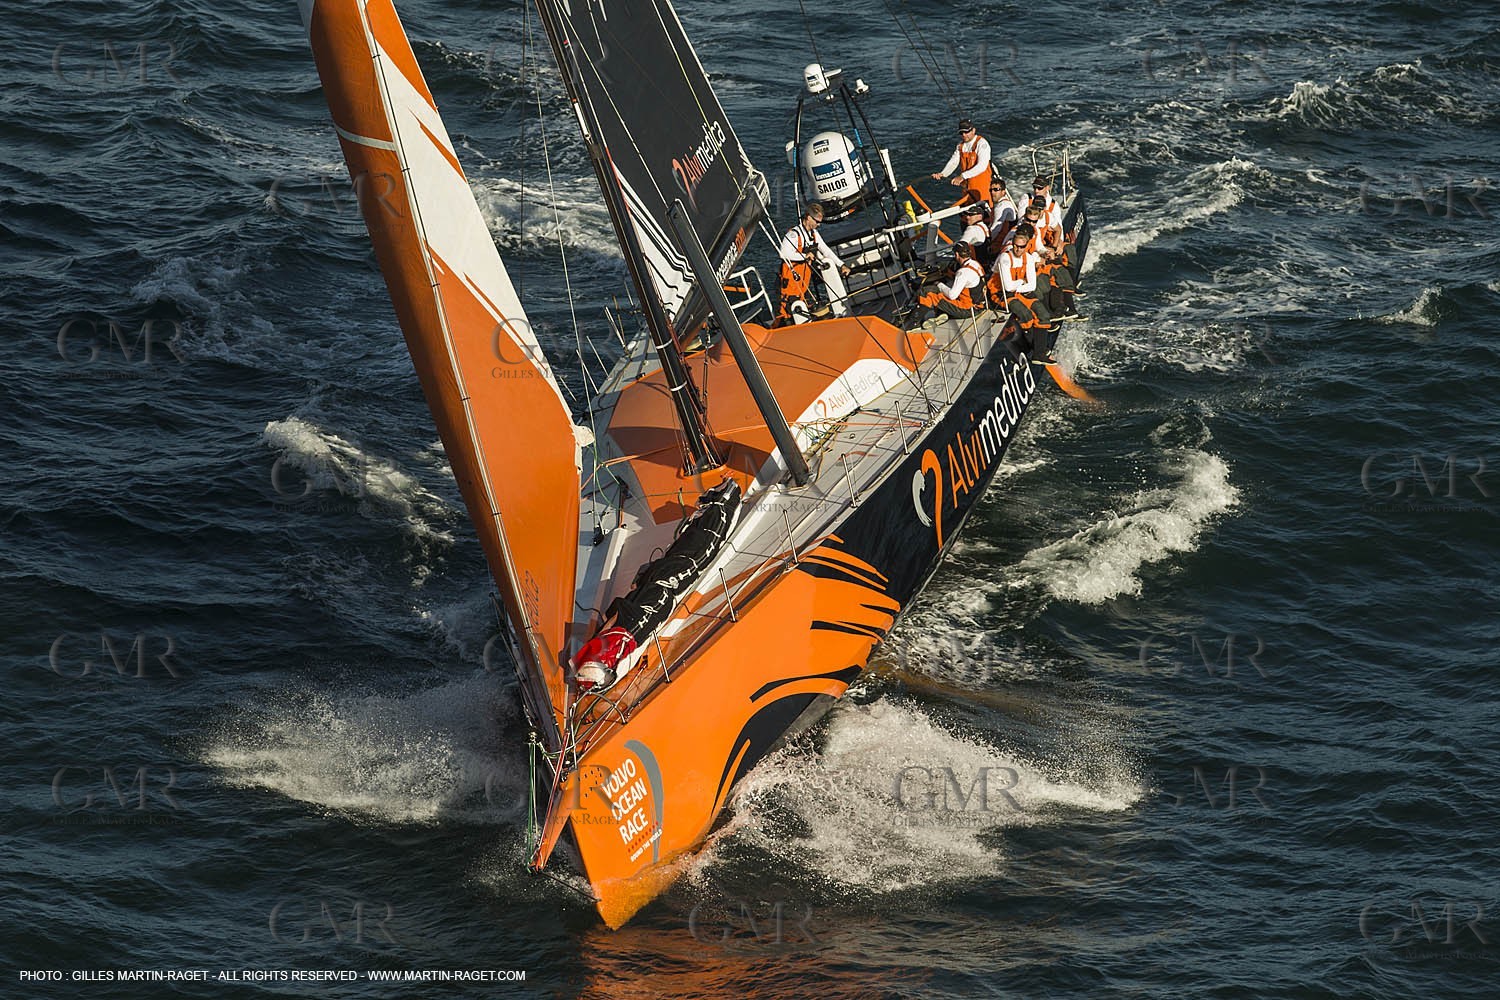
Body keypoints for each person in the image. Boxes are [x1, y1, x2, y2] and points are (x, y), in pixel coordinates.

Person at [776, 202, 850, 325]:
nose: (819, 225)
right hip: (791, 281)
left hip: (804, 281)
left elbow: (825, 250)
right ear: (809, 217)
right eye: (817, 221)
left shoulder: (814, 234)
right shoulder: (793, 235)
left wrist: (841, 265)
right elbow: (783, 254)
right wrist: (804, 256)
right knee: (788, 309)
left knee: (804, 304)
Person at [992, 225, 1052, 337]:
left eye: (1022, 247)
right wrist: (1022, 281)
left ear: (1026, 246)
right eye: (1016, 246)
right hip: (1001, 293)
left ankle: (1040, 345)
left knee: (1042, 313)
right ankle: (1027, 338)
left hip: (1017, 292)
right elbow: (1008, 287)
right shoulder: (1005, 258)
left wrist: (1018, 287)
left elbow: (1032, 286)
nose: (1018, 249)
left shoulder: (1028, 258)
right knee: (1025, 314)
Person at [917, 241, 987, 320]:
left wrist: (938, 284)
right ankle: (941, 313)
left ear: (956, 254)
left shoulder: (963, 272)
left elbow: (952, 295)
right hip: (979, 306)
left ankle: (919, 319)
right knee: (943, 290)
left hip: (967, 309)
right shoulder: (975, 264)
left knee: (927, 292)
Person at [931, 119, 993, 207]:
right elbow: (953, 162)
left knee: (984, 211)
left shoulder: (982, 144)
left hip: (981, 188)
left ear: (973, 130)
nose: (964, 135)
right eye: (961, 133)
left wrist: (962, 177)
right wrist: (943, 174)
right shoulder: (960, 145)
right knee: (969, 212)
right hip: (967, 188)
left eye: (966, 132)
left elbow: (982, 166)